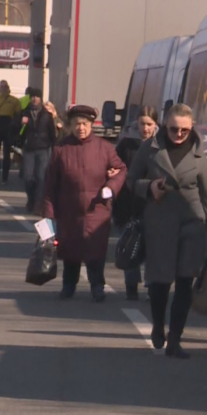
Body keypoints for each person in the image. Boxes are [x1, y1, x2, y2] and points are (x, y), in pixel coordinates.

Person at [127, 103, 207, 359]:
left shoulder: (199, 153)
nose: (178, 134)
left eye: (184, 130)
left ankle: (175, 340)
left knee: (183, 284)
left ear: (192, 129)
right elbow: (130, 180)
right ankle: (158, 325)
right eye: (173, 129)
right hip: (159, 223)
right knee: (159, 284)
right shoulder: (150, 149)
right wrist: (148, 188)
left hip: (192, 224)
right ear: (164, 126)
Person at [42, 105, 127, 303]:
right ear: (71, 125)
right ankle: (68, 286)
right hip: (69, 211)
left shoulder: (104, 148)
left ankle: (97, 286)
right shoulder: (61, 149)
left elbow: (121, 169)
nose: (81, 128)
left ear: (91, 125)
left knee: (95, 251)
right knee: (70, 250)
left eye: (85, 124)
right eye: (77, 124)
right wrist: (48, 215)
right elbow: (50, 185)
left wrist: (110, 188)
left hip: (97, 210)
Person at [113, 105, 159, 300]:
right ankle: (131, 286)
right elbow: (115, 165)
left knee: (152, 247)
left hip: (153, 204)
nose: (145, 129)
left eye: (149, 124)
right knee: (130, 244)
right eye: (142, 124)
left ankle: (152, 285)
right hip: (129, 204)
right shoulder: (127, 146)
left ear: (156, 125)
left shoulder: (161, 147)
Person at [20, 88, 55, 215]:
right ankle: (31, 198)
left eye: (37, 97)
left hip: (43, 148)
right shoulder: (24, 113)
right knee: (28, 177)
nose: (35, 99)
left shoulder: (46, 114)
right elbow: (17, 131)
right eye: (33, 97)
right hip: (29, 148)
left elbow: (52, 133)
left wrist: (54, 148)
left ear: (41, 99)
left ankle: (38, 203)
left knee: (41, 177)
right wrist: (20, 124)